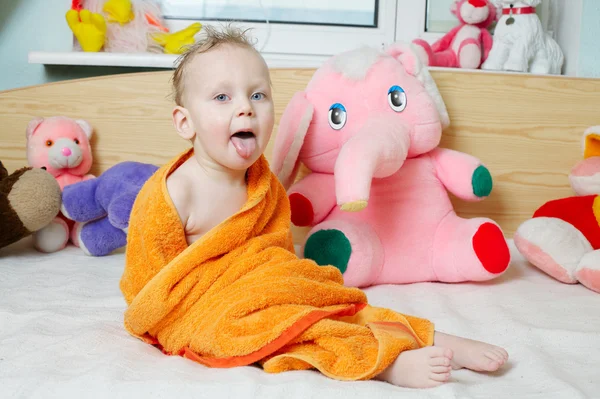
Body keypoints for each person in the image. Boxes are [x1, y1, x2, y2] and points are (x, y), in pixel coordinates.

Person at [133, 24, 508, 389]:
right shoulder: (173, 193)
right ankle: (385, 365)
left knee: (341, 304)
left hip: (269, 288)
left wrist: (287, 286)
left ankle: (433, 336)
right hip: (215, 307)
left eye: (258, 95)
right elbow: (150, 285)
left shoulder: (263, 183)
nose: (246, 109)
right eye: (222, 98)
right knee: (299, 331)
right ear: (185, 122)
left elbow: (274, 254)